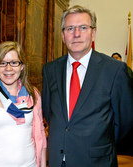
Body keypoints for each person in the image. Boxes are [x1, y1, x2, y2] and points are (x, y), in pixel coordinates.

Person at [42, 5, 133, 167]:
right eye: (70, 28)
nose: (76, 34)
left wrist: (98, 142)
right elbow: (50, 113)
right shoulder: (50, 70)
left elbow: (125, 121)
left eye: (83, 27)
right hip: (59, 160)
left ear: (94, 33)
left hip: (97, 160)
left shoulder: (115, 70)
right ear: (63, 35)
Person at [0, 41, 47, 167]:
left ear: (22, 66)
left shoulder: (33, 94)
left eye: (14, 63)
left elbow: (40, 135)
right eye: (2, 63)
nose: (8, 69)